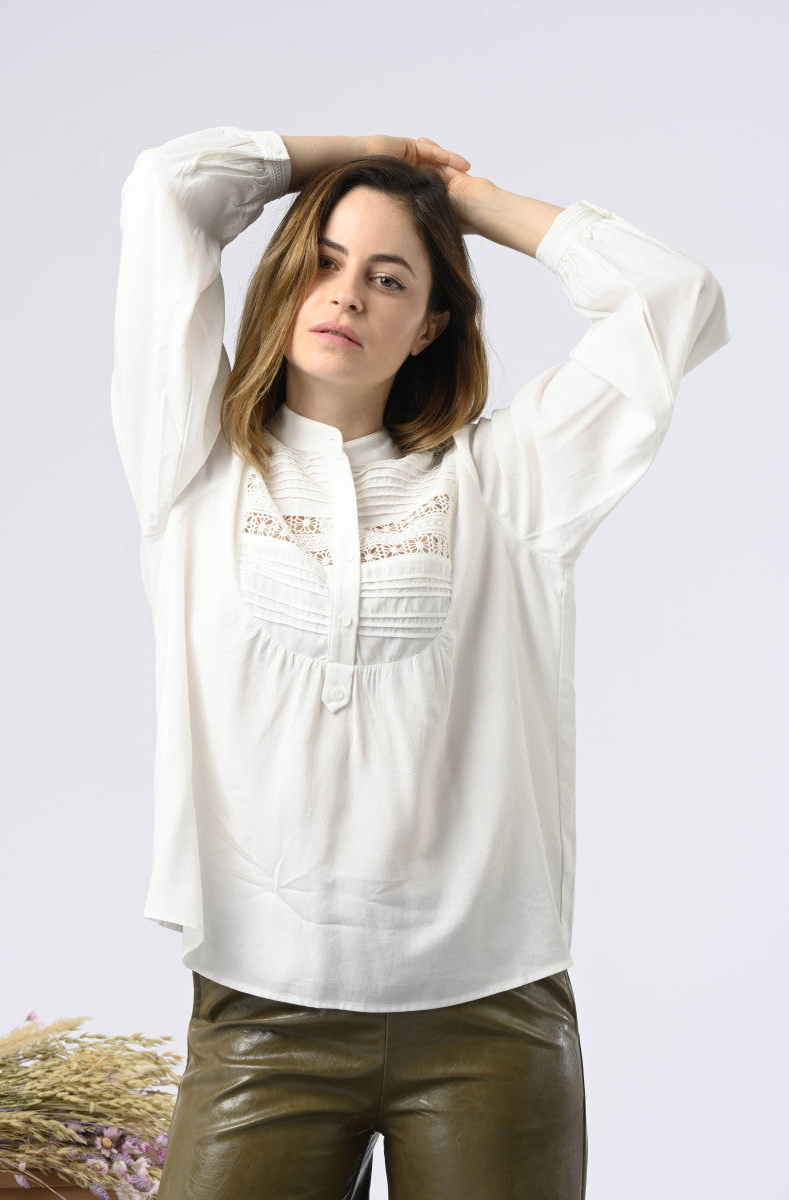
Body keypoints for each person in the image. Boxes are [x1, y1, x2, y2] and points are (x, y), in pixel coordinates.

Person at [110, 127, 730, 1199]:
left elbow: (672, 299)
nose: (346, 294)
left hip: (489, 1015)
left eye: (388, 277)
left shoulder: (508, 481)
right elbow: (171, 186)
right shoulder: (194, 465)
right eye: (324, 261)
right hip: (263, 1015)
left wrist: (465, 202)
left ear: (430, 323)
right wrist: (358, 154)